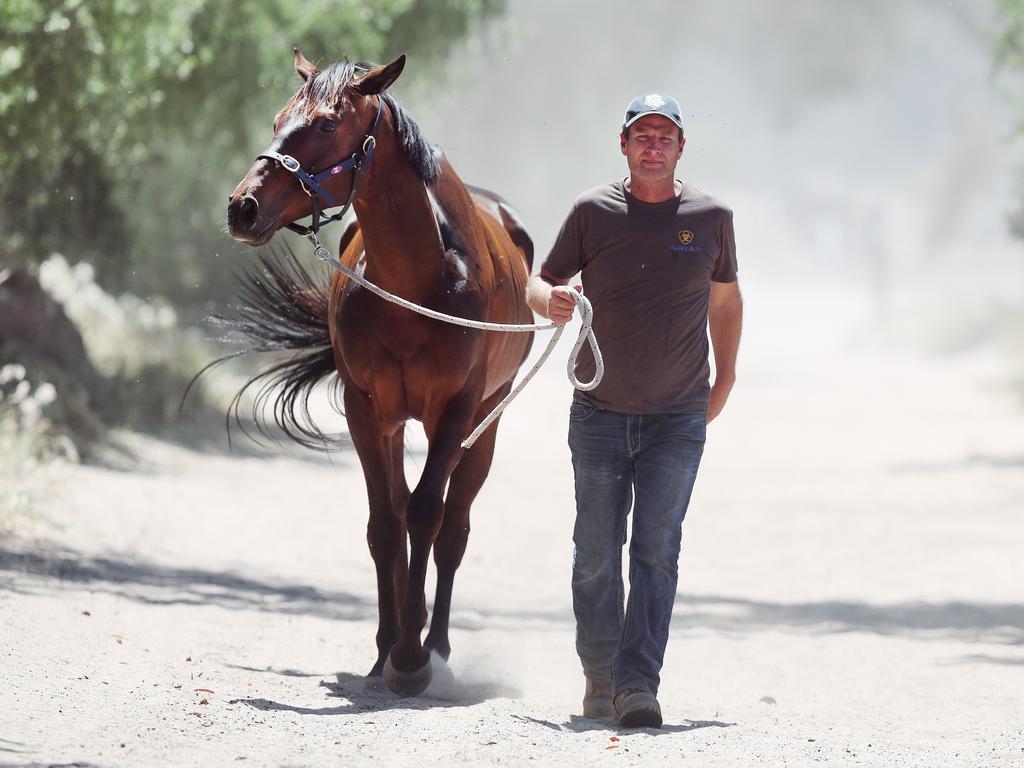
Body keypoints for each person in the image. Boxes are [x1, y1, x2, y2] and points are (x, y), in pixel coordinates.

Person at [525, 93, 743, 728]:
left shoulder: (711, 217)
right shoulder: (593, 211)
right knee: (594, 550)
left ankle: (637, 685)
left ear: (680, 148)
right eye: (641, 136)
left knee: (656, 551)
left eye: (664, 136)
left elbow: (726, 302)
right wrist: (553, 300)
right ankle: (599, 672)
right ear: (623, 146)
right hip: (599, 414)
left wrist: (724, 378)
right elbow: (537, 281)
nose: (653, 145)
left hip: (678, 418)